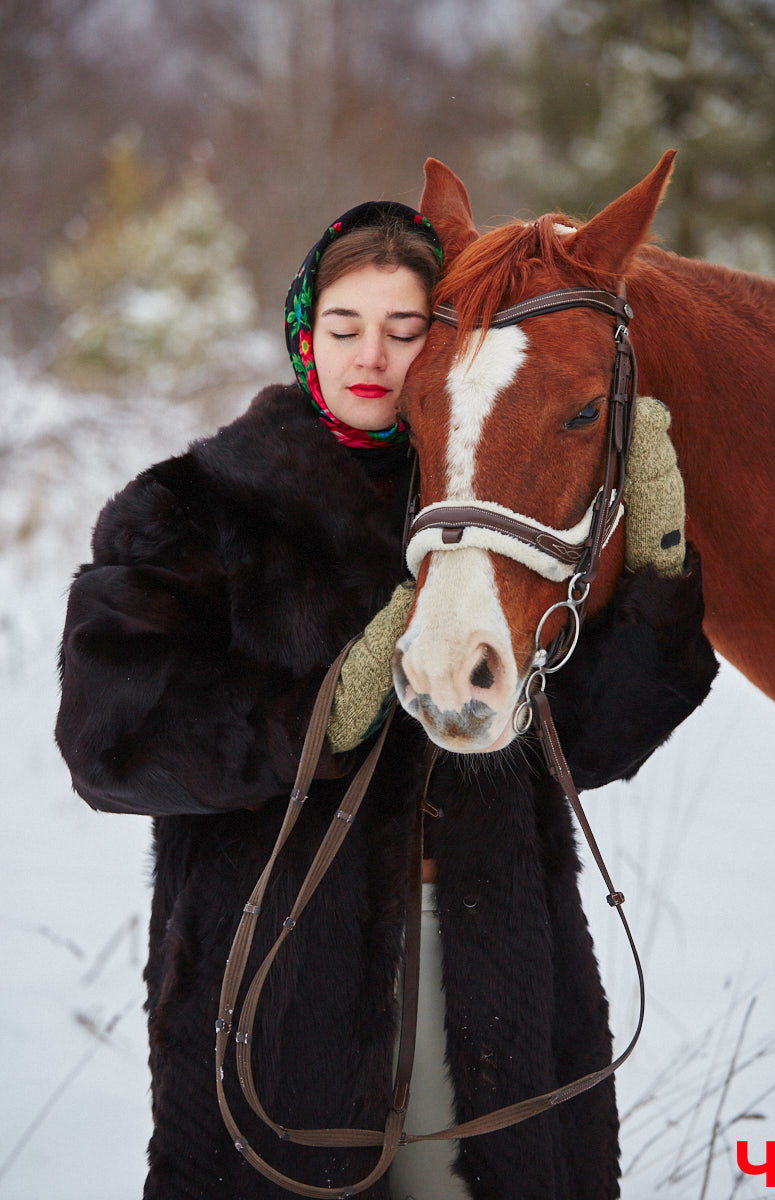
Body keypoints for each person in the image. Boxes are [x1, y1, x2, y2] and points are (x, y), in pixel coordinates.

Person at [55, 197, 717, 1200]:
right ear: (301, 334)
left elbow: (588, 739)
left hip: (493, 982)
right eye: (343, 326)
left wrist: (658, 568)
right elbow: (113, 744)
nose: (369, 356)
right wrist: (328, 709)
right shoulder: (192, 509)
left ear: (442, 343)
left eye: (402, 330)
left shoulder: (489, 510)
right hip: (280, 1002)